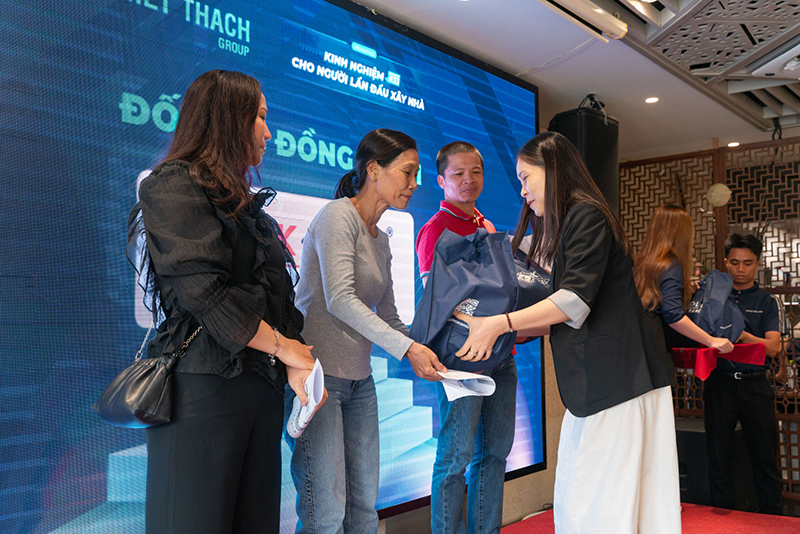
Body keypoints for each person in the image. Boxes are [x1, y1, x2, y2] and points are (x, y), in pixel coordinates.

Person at [454, 132, 681, 534]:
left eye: (526, 178)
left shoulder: (586, 215)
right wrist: (504, 330)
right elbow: (565, 313)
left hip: (618, 382)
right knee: (583, 500)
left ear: (553, 169)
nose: (522, 191)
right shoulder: (572, 221)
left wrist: (501, 323)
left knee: (600, 505)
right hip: (602, 385)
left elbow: (573, 301)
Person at [128, 70, 319, 534]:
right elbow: (204, 294)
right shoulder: (171, 184)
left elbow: (277, 298)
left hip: (260, 391)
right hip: (203, 390)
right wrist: (285, 348)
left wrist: (295, 361)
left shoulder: (247, 205)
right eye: (261, 117)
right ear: (230, 117)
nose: (269, 133)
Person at [287, 129, 446, 534]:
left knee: (363, 511)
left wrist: (427, 350)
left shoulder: (381, 240)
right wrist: (407, 349)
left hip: (360, 384)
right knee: (326, 514)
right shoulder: (337, 216)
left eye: (416, 175)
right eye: (407, 172)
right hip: (318, 382)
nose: (414, 184)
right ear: (374, 169)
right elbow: (340, 299)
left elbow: (389, 317)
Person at [415, 141, 516, 534]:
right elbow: (436, 301)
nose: (468, 180)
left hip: (501, 356)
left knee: (495, 454)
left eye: (475, 171)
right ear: (441, 180)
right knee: (455, 458)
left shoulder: (487, 226)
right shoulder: (435, 230)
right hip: (461, 361)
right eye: (458, 173)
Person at [704, 233, 786, 515]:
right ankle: (721, 521)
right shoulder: (713, 298)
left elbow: (774, 347)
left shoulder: (767, 301)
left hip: (755, 386)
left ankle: (773, 521)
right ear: (726, 262)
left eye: (747, 263)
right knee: (718, 458)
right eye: (735, 262)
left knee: (764, 459)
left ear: (758, 264)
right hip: (719, 384)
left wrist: (744, 335)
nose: (740, 269)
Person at [633, 204, 734, 380]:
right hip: (655, 342)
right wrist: (711, 340)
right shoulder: (671, 264)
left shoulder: (643, 263)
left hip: (638, 339)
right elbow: (672, 314)